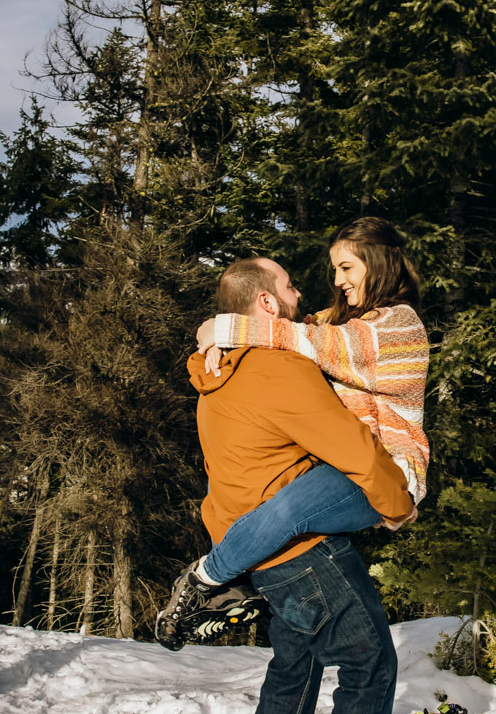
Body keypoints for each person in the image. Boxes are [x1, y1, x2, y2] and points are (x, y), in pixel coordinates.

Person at [180, 255, 427, 714]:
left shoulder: (218, 373)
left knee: (295, 669)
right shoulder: (277, 370)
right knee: (370, 668)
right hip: (305, 553)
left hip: (252, 545)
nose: (300, 295)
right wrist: (398, 504)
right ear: (266, 303)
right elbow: (356, 453)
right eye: (288, 287)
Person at [155, 217, 430, 647]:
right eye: (335, 270)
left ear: (377, 264)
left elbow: (307, 341)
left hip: (388, 471)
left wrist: (221, 328)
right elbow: (288, 330)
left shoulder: (398, 327)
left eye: (346, 268)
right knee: (281, 515)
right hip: (355, 467)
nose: (336, 281)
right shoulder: (339, 321)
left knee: (288, 510)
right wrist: (213, 332)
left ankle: (207, 578)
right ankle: (237, 586)